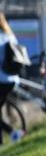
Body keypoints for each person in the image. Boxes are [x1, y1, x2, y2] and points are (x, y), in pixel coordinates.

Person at [0, 14, 23, 143]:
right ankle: (1, 141)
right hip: (13, 79)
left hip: (1, 80)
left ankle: (13, 132)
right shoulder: (10, 35)